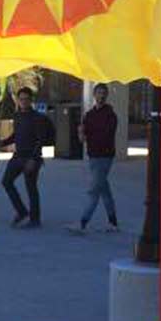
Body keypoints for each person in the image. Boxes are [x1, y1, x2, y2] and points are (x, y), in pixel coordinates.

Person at [69, 83, 120, 234]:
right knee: (104, 190)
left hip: (105, 156)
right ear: (94, 95)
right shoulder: (89, 115)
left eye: (103, 93)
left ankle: (83, 222)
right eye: (98, 93)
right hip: (92, 155)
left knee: (94, 190)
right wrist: (81, 133)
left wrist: (89, 133)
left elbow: (106, 135)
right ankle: (113, 222)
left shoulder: (111, 115)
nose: (101, 95)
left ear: (107, 95)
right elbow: (82, 139)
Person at [0, 88, 53, 228]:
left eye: (26, 99)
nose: (23, 101)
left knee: (31, 187)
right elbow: (15, 135)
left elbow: (40, 140)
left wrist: (34, 159)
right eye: (21, 99)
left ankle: (35, 219)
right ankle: (22, 211)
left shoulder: (37, 118)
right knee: (6, 182)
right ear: (18, 100)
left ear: (31, 100)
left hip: (31, 157)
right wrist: (3, 142)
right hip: (18, 155)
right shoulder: (17, 116)